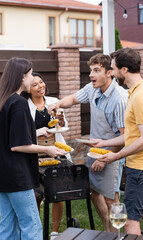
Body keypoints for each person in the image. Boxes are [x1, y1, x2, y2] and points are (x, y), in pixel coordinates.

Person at [48, 53, 128, 231]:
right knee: (93, 191)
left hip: (113, 153)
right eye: (91, 70)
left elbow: (125, 137)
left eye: (96, 70)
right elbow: (74, 99)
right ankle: (109, 230)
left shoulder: (120, 99)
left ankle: (116, 234)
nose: (91, 74)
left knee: (111, 199)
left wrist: (104, 158)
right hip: (95, 150)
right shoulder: (93, 88)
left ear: (109, 73)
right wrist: (58, 104)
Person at [91, 48, 143, 235]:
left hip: (142, 169)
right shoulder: (136, 92)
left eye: (113, 69)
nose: (111, 73)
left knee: (130, 224)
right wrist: (104, 144)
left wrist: (116, 155)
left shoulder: (140, 97)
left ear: (125, 70)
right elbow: (135, 134)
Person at [0, 58, 64, 240]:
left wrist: (35, 132)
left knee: (7, 226)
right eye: (30, 75)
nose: (31, 79)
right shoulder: (19, 103)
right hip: (18, 176)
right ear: (22, 77)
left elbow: (8, 137)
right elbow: (17, 145)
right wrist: (50, 151)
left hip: (3, 176)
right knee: (32, 227)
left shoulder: (4, 100)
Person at [25, 72, 71, 240]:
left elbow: (63, 125)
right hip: (35, 153)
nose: (40, 86)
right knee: (35, 196)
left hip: (56, 150)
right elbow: (24, 133)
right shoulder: (25, 106)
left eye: (41, 82)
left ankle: (54, 232)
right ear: (28, 89)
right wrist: (39, 131)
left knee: (57, 193)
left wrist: (61, 119)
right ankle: (36, 229)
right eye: (35, 84)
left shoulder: (52, 102)